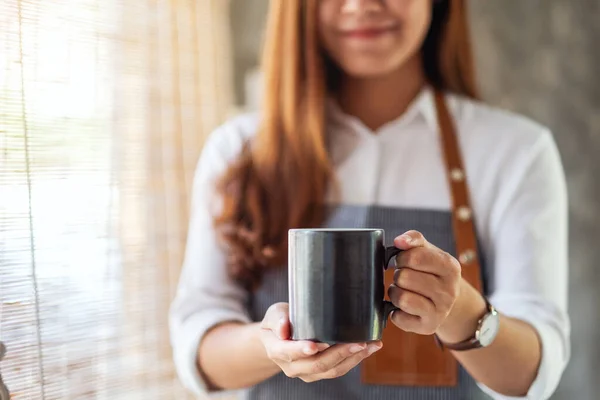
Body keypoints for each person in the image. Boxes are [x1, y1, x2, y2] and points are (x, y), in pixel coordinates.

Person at [169, 0, 570, 399]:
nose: (361, 6)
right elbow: (200, 352)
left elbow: (532, 373)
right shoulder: (239, 149)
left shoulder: (516, 151)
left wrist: (461, 311)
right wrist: (273, 344)